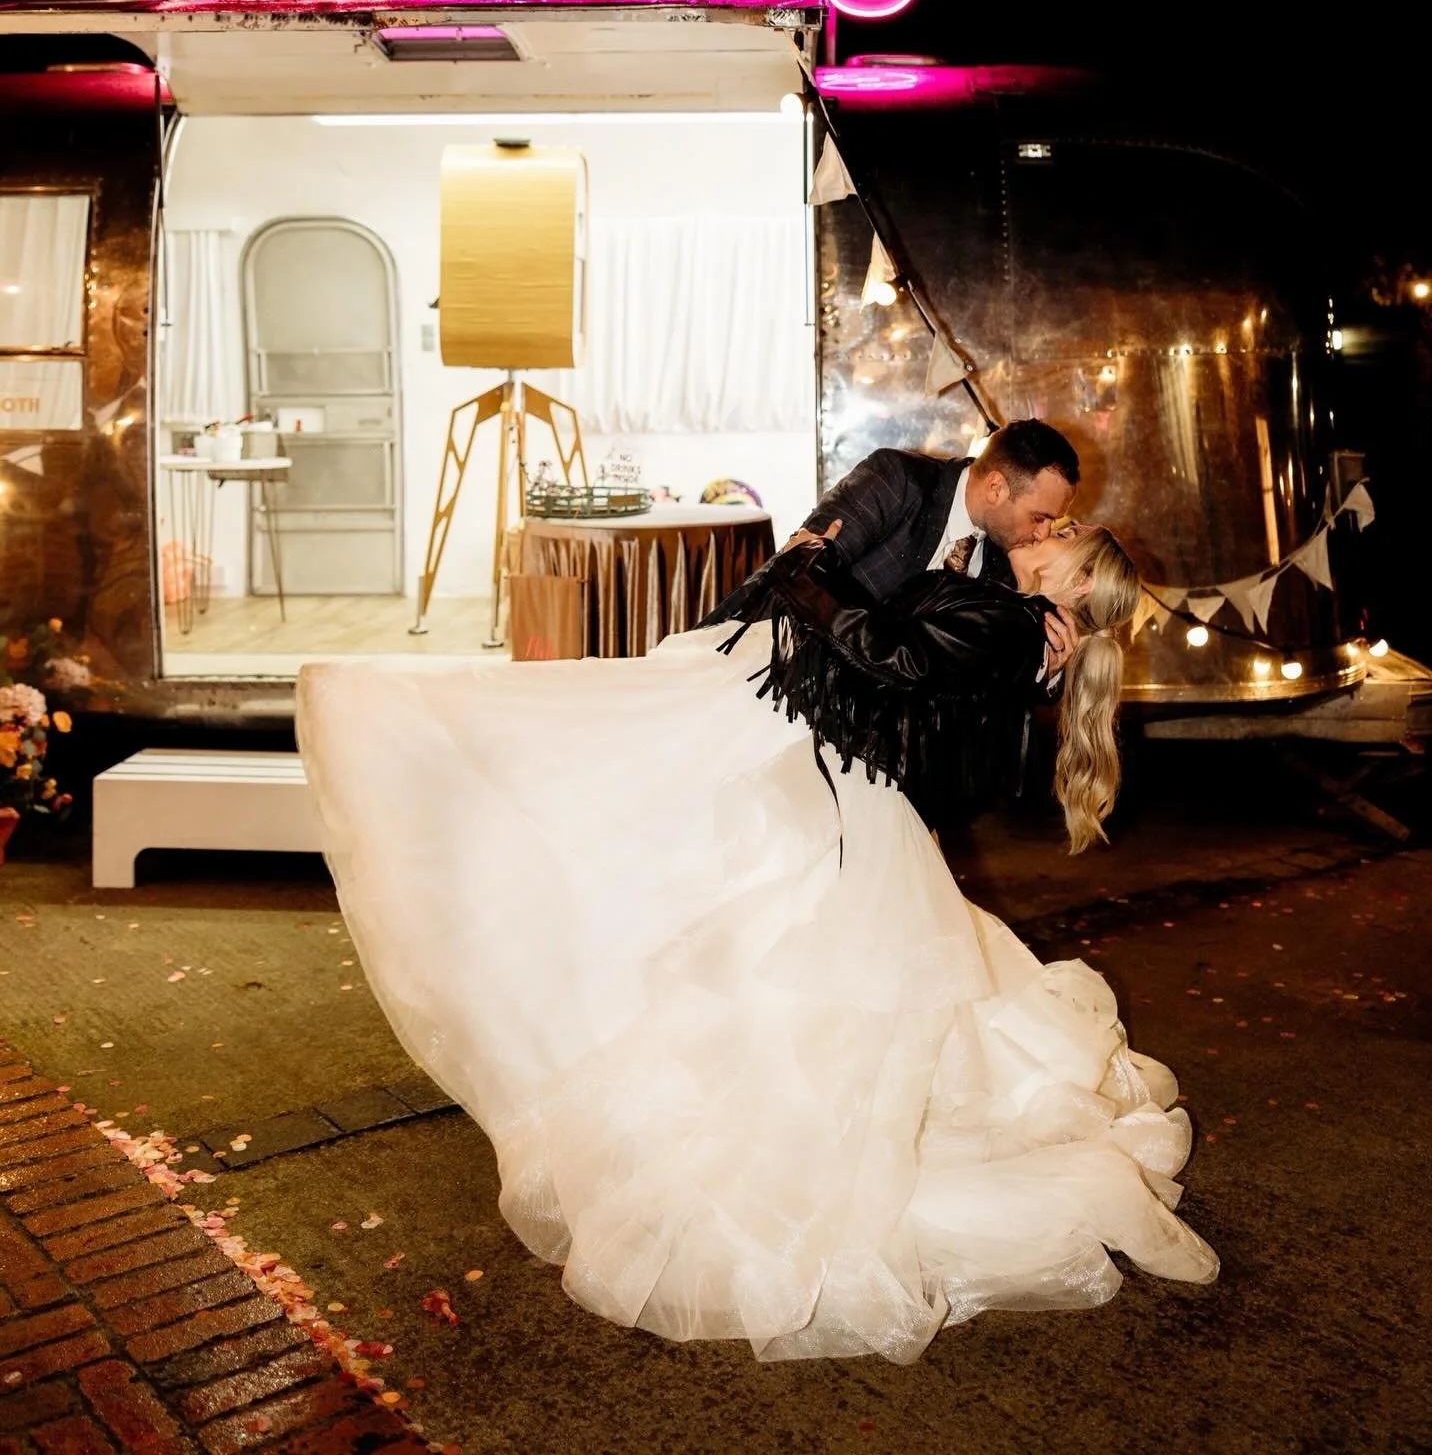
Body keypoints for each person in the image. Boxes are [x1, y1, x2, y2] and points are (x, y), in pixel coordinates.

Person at [296, 523, 1218, 1367]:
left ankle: (824, 1163)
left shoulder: (1012, 624)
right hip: (840, 785)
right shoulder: (1012, 614)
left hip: (842, 794)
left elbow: (890, 659)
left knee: (788, 975)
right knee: (778, 963)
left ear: (1078, 582)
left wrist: (806, 571)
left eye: (1068, 537)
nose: (1052, 530)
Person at [788, 419, 1084, 684]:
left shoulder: (1007, 560)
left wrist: (1044, 673)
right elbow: (796, 571)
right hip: (796, 678)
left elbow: (980, 673)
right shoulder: (898, 481)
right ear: (996, 488)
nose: (1043, 533)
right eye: (1039, 517)